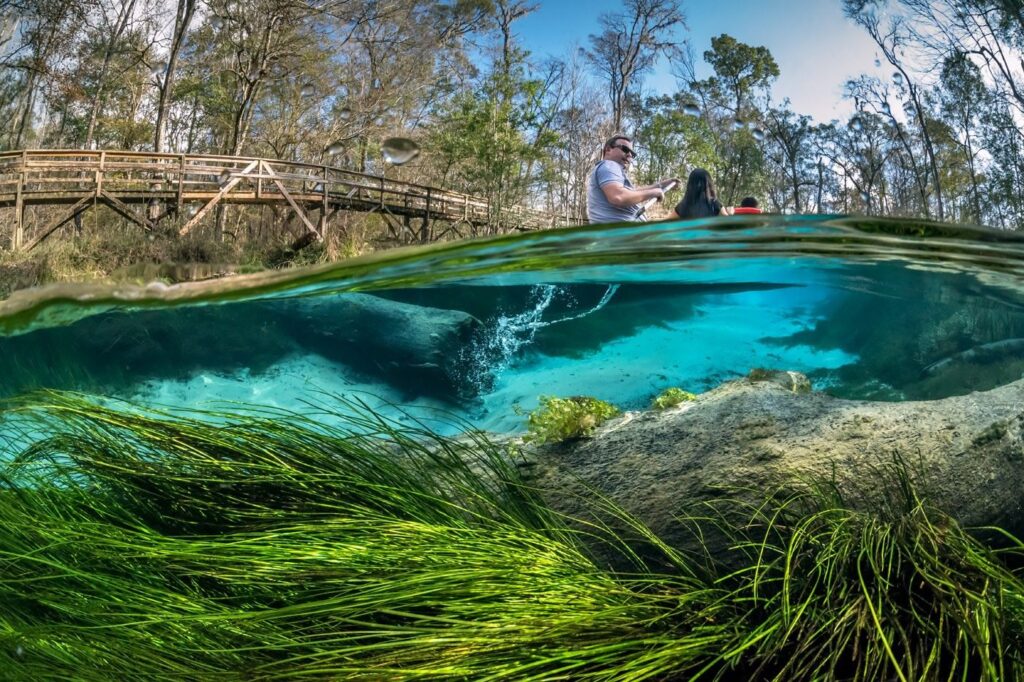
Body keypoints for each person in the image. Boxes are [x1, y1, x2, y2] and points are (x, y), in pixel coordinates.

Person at [587, 135, 678, 224]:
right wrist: (653, 192)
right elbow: (619, 197)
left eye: (632, 154)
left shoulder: (611, 171)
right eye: (625, 149)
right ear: (608, 149)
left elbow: (632, 192)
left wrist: (661, 185)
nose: (629, 155)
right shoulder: (609, 165)